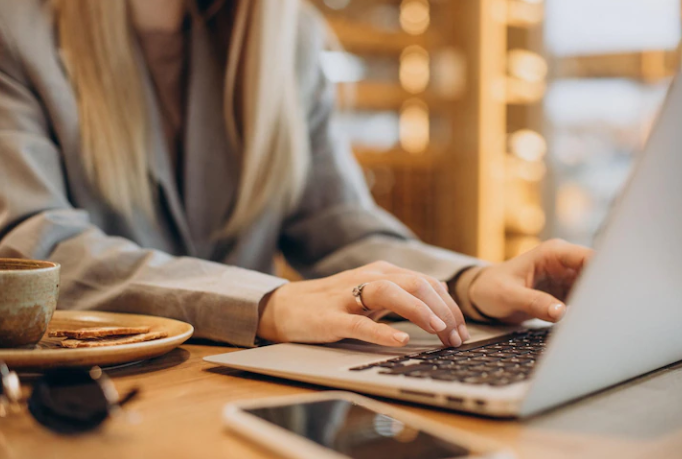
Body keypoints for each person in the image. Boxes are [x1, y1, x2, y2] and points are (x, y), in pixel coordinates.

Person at [0, 0, 592, 349]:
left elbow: (338, 230)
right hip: (79, 409)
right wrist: (266, 304)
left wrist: (465, 285)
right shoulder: (17, 29)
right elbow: (34, 252)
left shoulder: (289, 37)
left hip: (243, 393)